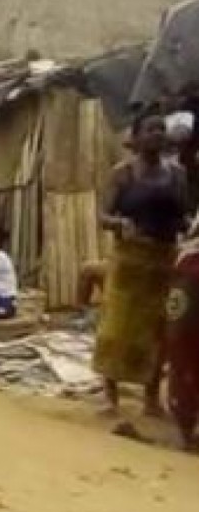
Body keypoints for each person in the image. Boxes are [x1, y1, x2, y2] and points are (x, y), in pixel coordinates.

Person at [94, 113, 189, 418]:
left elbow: (183, 213)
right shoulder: (122, 174)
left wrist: (187, 225)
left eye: (161, 129)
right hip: (129, 260)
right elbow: (102, 216)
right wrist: (120, 223)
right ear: (135, 138)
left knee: (158, 330)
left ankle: (151, 398)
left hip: (165, 260)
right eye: (150, 130)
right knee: (117, 327)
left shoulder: (177, 175)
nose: (157, 135)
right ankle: (111, 396)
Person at [167, 231, 199, 451]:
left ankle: (186, 431)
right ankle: (186, 431)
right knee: (184, 361)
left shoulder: (185, 260)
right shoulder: (187, 261)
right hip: (189, 285)